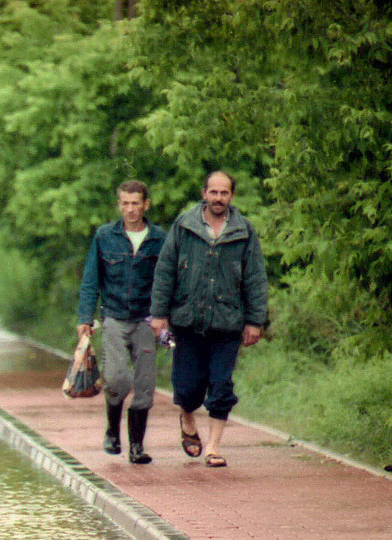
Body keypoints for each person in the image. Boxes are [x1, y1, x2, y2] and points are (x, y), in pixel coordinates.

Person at [150, 171, 269, 468]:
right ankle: (187, 418)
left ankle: (214, 447)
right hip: (187, 320)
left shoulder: (244, 230)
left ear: (232, 196)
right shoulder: (184, 225)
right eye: (213, 192)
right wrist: (160, 315)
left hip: (227, 323)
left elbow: (255, 278)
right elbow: (165, 271)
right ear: (204, 193)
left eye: (224, 193)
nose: (218, 198)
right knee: (187, 387)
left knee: (220, 385)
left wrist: (255, 321)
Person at [78, 180, 166, 464]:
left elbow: (166, 280)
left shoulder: (159, 238)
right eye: (125, 203)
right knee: (116, 379)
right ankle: (113, 431)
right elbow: (91, 279)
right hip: (114, 317)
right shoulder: (105, 236)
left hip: (146, 319)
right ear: (119, 205)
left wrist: (164, 317)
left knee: (144, 385)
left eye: (135, 203)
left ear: (145, 205)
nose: (130, 209)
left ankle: (137, 446)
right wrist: (85, 318)